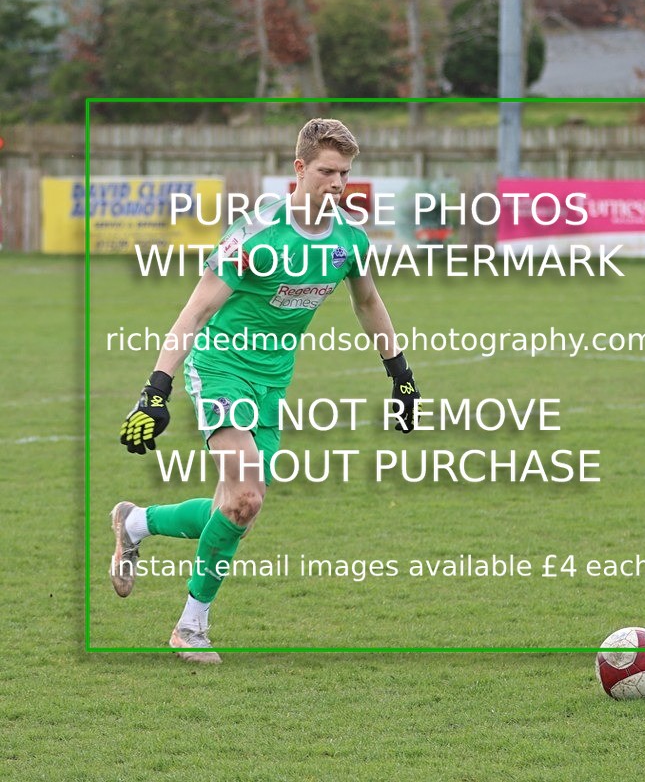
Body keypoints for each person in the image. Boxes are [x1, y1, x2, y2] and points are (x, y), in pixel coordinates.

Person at [110, 118, 420, 663]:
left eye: (344, 173)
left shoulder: (348, 238)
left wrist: (400, 374)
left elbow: (368, 302)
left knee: (236, 510)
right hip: (221, 368)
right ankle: (190, 627)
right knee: (248, 493)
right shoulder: (256, 233)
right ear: (299, 170)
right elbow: (198, 306)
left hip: (272, 385)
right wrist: (156, 387)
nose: (337, 183)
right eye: (326, 171)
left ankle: (135, 522)